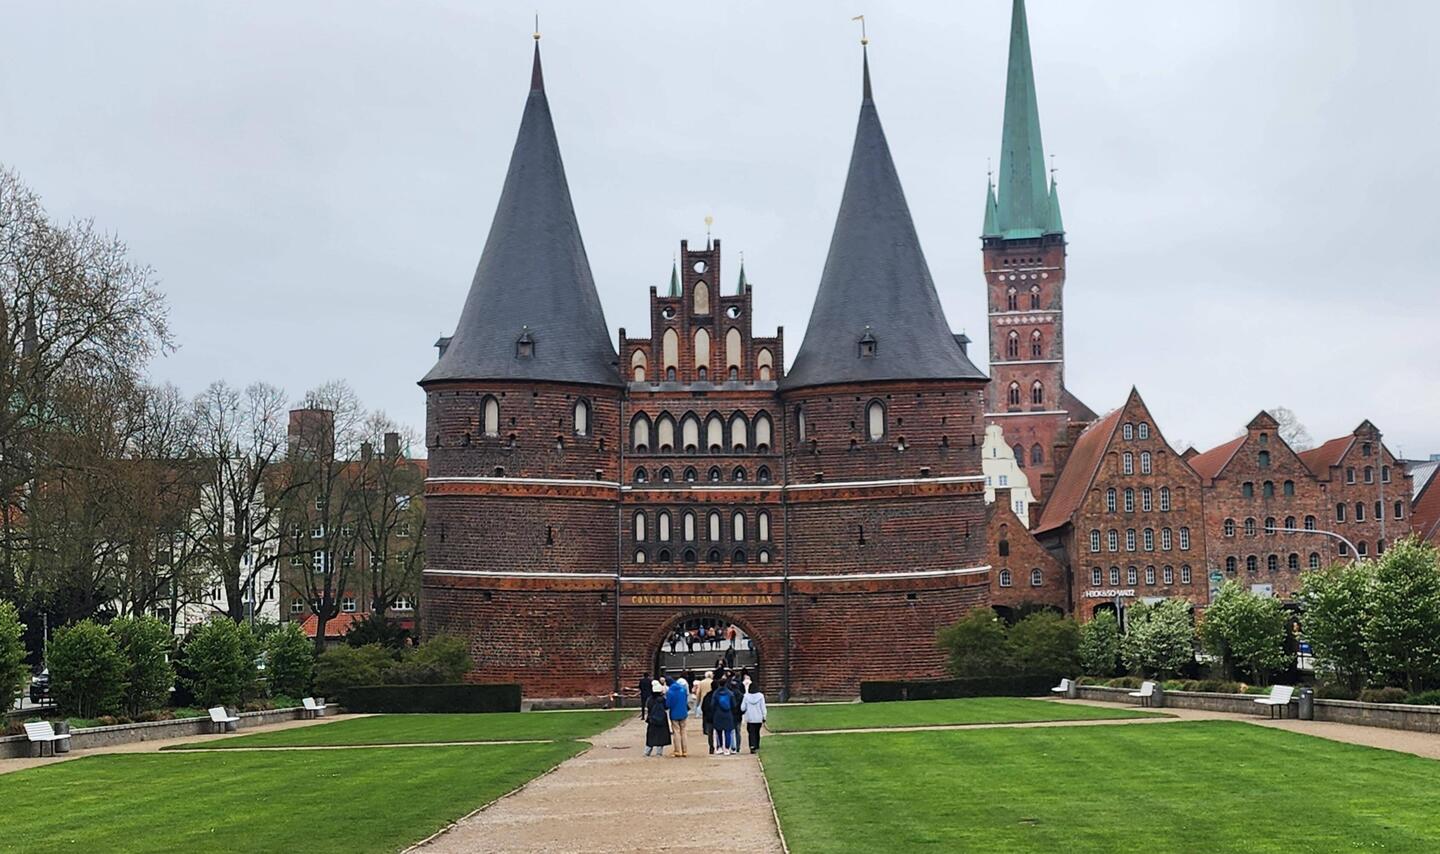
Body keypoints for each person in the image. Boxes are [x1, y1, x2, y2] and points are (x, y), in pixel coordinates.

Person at [644, 679, 671, 757]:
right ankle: (659, 752)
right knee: (661, 736)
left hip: (652, 720)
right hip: (661, 720)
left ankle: (647, 751)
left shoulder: (649, 699)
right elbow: (666, 707)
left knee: (650, 736)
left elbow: (648, 707)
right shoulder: (662, 699)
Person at [711, 676, 737, 755]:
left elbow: (712, 705)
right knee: (728, 731)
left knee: (718, 731)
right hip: (728, 714)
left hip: (718, 714)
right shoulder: (730, 693)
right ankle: (727, 748)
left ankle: (720, 748)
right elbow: (734, 705)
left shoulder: (715, 693)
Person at [740, 681, 767, 753]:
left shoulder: (746, 696)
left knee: (751, 732)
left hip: (750, 718)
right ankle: (757, 745)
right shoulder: (761, 696)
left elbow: (742, 708)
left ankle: (752, 745)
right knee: (757, 732)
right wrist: (764, 716)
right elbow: (763, 707)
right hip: (758, 717)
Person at [666, 677, 690, 757]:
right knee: (683, 731)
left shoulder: (670, 692)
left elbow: (668, 704)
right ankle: (685, 751)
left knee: (676, 732)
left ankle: (677, 750)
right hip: (683, 712)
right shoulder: (683, 689)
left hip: (674, 713)